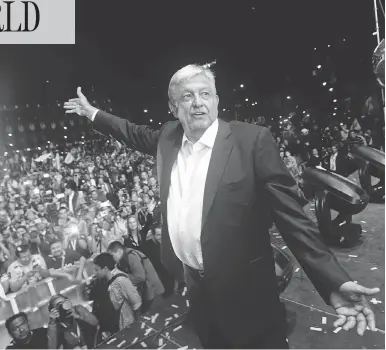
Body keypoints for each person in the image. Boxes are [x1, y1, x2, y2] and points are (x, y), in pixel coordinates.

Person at [64, 65, 380, 349]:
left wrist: (333, 281)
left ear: (217, 100)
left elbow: (293, 217)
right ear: (174, 108)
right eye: (187, 97)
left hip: (249, 294)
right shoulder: (168, 138)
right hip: (197, 290)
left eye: (205, 94)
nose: (198, 102)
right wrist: (92, 113)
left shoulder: (251, 141)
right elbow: (129, 132)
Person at [93, 252, 142, 330]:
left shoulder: (120, 280)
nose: (95, 273)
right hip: (117, 324)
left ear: (105, 269)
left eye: (96, 270)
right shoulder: (105, 280)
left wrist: (137, 326)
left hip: (127, 324)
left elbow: (136, 302)